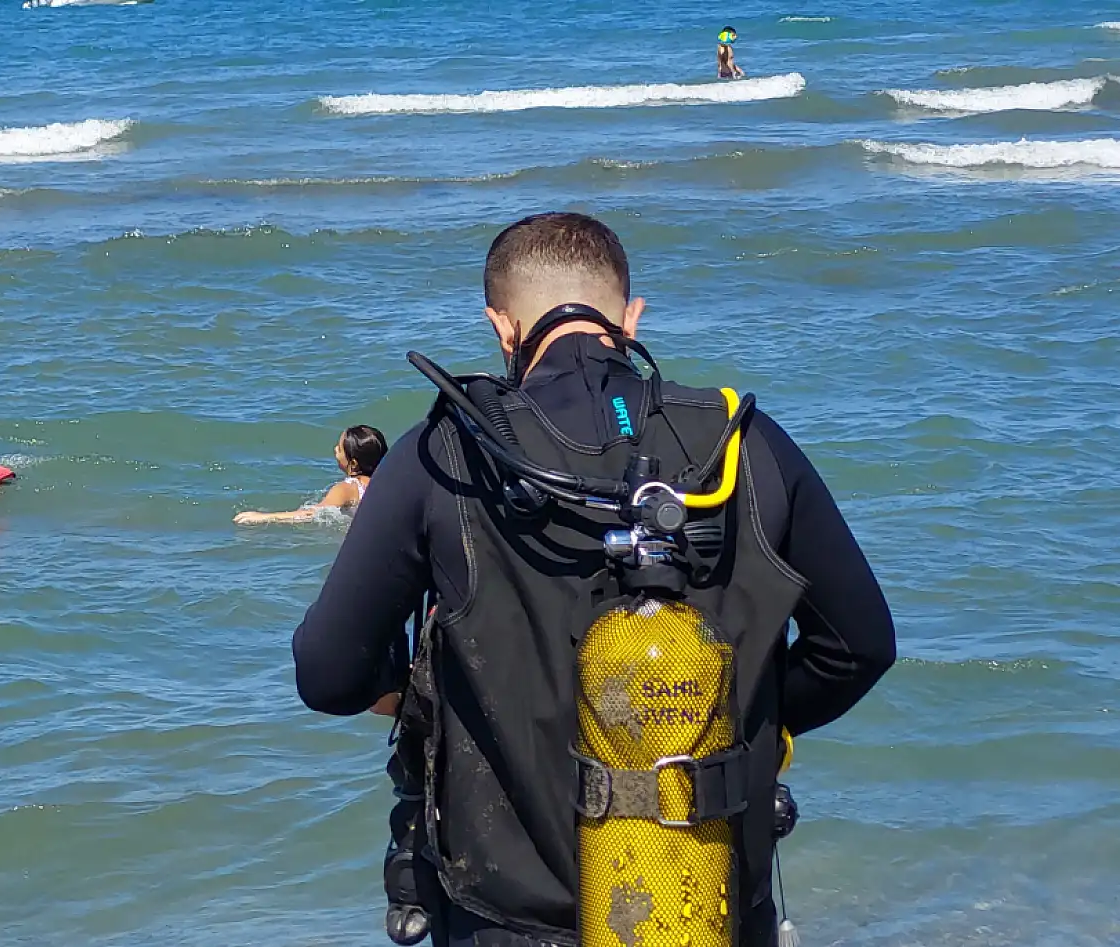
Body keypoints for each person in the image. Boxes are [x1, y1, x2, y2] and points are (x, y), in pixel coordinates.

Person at [291, 212, 896, 947]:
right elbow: (860, 644)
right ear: (630, 315)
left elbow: (327, 671)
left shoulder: (444, 455)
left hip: (511, 920)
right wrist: (729, 718)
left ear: (502, 328)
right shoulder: (745, 442)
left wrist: (432, 701)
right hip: (710, 909)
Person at [234, 425, 387, 525]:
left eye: (339, 449)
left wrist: (264, 517)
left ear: (353, 464)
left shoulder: (347, 488)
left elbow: (311, 514)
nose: (335, 450)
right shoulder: (385, 482)